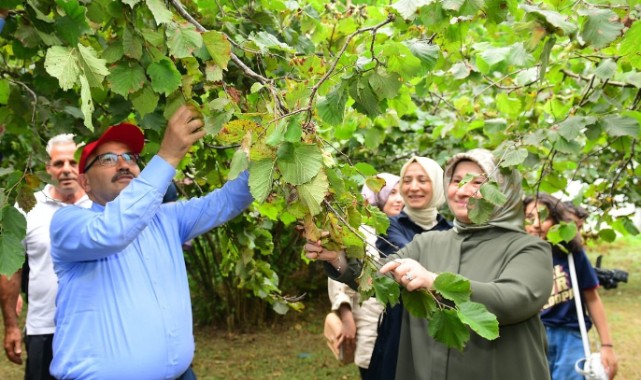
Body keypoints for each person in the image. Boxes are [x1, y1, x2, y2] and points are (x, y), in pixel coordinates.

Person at [306, 148, 553, 379]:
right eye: (456, 181)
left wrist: (436, 282)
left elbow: (515, 299)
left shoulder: (528, 248)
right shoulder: (428, 243)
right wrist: (338, 259)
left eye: (478, 182)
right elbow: (380, 277)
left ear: (504, 191)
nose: (463, 190)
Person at [48, 105, 253, 379]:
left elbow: (229, 200)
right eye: (108, 159)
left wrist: (271, 150)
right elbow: (113, 231)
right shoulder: (69, 223)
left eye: (130, 157)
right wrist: (168, 155)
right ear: (84, 182)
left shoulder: (166, 219)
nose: (123, 165)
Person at [0, 134, 91, 380]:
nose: (67, 170)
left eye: (73, 162)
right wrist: (10, 327)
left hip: (95, 328)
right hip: (44, 328)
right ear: (47, 168)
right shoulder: (28, 208)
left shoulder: (99, 205)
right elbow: (10, 269)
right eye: (59, 163)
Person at [368, 156, 451, 380]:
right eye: (407, 180)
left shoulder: (450, 229)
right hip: (401, 328)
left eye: (422, 180)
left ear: (437, 184)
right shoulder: (391, 224)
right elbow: (404, 261)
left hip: (441, 326)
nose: (413, 187)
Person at [524, 193, 618, 380]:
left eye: (544, 217)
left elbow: (592, 299)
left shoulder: (571, 255)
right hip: (532, 336)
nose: (536, 224)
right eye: (529, 218)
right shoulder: (519, 258)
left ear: (557, 220)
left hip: (570, 337)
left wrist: (607, 345)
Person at [326, 172, 402, 378]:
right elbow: (339, 279)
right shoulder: (361, 230)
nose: (399, 198)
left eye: (400, 192)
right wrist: (346, 315)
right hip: (367, 319)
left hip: (397, 324)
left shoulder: (401, 229)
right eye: (392, 192)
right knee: (373, 368)